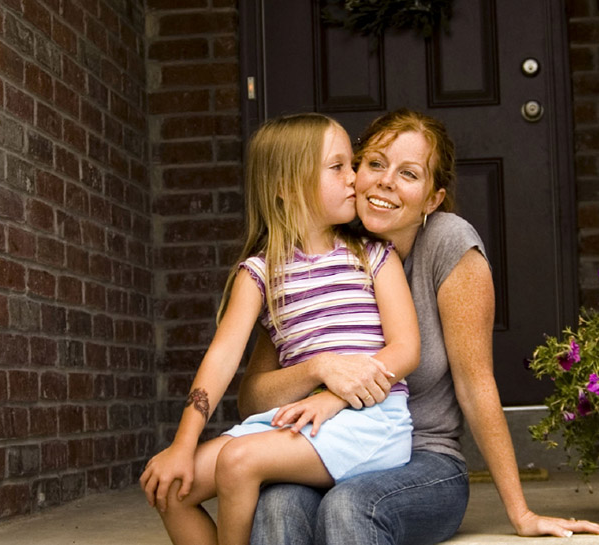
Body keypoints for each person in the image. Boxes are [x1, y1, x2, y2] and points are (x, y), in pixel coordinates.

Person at [239, 109, 599, 543]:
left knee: (351, 505)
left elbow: (476, 385)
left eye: (409, 174)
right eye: (375, 164)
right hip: (322, 450)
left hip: (424, 461)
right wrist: (317, 370)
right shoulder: (313, 245)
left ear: (432, 199)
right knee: (277, 505)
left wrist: (521, 512)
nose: (385, 182)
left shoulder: (448, 245)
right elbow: (252, 400)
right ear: (352, 171)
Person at [138, 112, 421, 545]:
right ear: (288, 187)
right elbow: (222, 357)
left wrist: (333, 397)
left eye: (353, 163)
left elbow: (405, 351)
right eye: (338, 166)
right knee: (171, 487)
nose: (355, 178)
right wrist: (182, 443)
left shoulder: (374, 256)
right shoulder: (259, 273)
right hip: (292, 423)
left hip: (370, 422)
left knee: (238, 461)